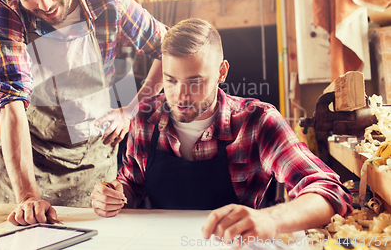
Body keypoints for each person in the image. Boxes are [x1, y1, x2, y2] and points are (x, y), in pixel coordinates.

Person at [91, 18, 352, 243]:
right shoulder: (145, 118)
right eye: (171, 81)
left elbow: (328, 190)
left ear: (221, 72)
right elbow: (132, 185)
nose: (181, 96)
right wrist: (113, 193)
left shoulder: (258, 122)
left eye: (195, 82)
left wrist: (270, 219)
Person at [0, 0, 168, 226]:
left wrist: (130, 111)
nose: (45, 4)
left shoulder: (110, 3)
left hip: (89, 159)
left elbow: (168, 50)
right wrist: (27, 196)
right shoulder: (8, 7)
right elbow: (11, 99)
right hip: (30, 151)